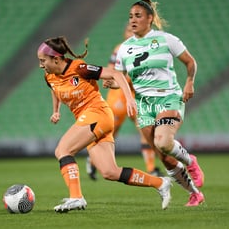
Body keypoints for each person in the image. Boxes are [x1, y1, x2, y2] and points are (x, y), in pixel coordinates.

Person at [37, 36, 172, 212]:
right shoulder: (49, 76)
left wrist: (129, 99)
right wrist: (56, 111)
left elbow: (115, 74)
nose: (41, 65)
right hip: (91, 119)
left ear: (56, 59)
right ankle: (161, 183)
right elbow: (55, 89)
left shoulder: (79, 68)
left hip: (97, 113)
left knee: (63, 150)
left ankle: (76, 197)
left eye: (43, 60)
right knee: (110, 172)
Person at [112, 0, 205, 207]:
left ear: (150, 18)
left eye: (138, 16)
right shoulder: (124, 49)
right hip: (144, 104)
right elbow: (120, 78)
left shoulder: (166, 39)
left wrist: (189, 82)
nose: (132, 20)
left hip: (168, 97)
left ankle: (190, 162)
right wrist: (113, 83)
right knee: (164, 157)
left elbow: (190, 62)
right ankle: (195, 194)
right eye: (130, 17)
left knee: (163, 141)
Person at [86, 25, 163, 181]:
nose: (132, 32)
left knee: (146, 131)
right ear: (124, 33)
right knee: (109, 134)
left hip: (138, 96)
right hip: (118, 96)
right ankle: (93, 160)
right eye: (129, 30)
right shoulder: (120, 49)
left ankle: (151, 169)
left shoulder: (146, 48)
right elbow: (110, 72)